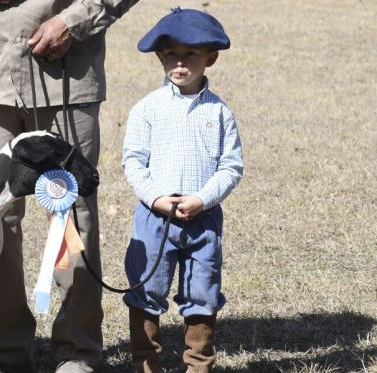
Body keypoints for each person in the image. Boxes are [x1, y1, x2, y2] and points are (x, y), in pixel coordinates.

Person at [0, 0, 138, 372]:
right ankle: (5, 350)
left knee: (73, 213)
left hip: (68, 73)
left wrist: (73, 22)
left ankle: (78, 351)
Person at [121, 7, 244, 373]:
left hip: (202, 220)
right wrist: (156, 198)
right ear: (159, 56)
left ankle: (198, 364)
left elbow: (231, 165)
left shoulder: (219, 112)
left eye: (190, 54)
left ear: (211, 58)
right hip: (153, 219)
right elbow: (133, 161)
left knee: (203, 292)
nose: (179, 63)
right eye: (171, 54)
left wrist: (203, 199)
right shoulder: (147, 109)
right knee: (146, 290)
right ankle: (146, 364)